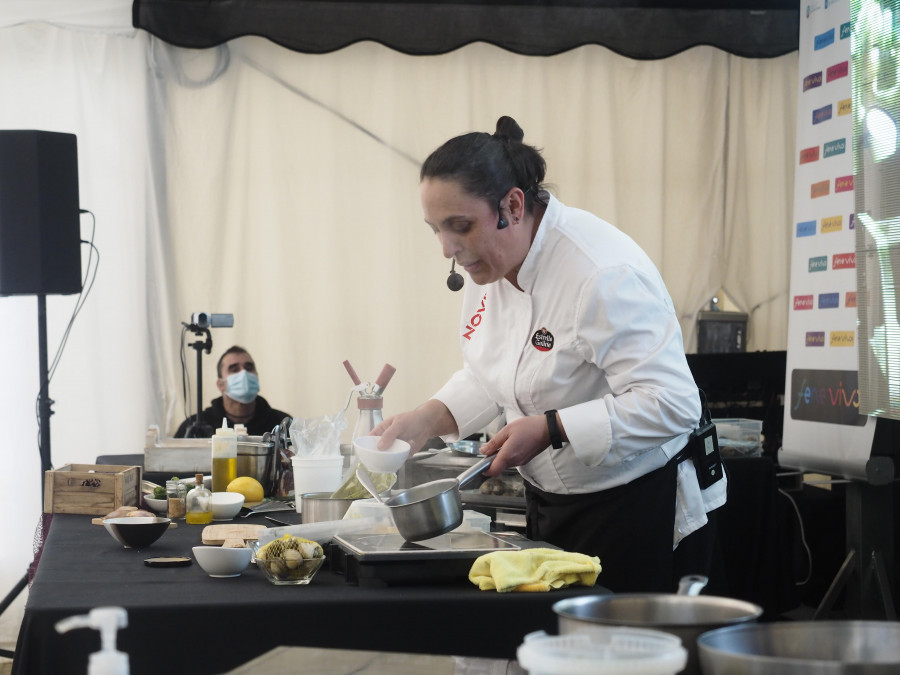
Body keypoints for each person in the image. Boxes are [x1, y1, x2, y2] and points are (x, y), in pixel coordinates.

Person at [373, 116, 727, 593]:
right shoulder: (491, 261)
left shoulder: (600, 273)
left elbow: (672, 403)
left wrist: (553, 428)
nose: (447, 250)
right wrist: (429, 417)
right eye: (435, 230)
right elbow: (494, 372)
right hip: (550, 500)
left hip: (638, 503)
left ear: (512, 206)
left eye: (460, 227)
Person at [174, 345, 291, 437]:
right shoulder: (197, 426)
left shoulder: (282, 424)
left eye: (249, 368)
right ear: (221, 384)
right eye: (234, 370)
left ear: (257, 377)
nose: (244, 374)